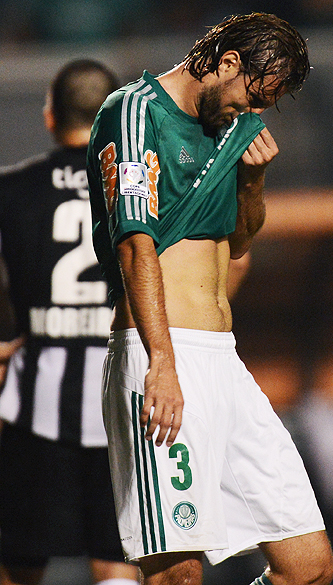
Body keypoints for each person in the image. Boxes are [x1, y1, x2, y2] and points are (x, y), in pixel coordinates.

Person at [87, 12, 333, 585]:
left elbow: (240, 239)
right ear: (226, 63)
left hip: (224, 361)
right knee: (178, 575)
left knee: (311, 569)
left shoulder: (232, 128)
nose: (251, 115)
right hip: (160, 355)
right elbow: (135, 247)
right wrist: (162, 363)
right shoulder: (135, 112)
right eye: (252, 97)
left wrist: (253, 182)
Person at [0, 59, 139, 585]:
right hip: (123, 404)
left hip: (35, 405)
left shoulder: (11, 191)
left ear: (50, 116)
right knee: (116, 560)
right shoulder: (142, 189)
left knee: (18, 562)